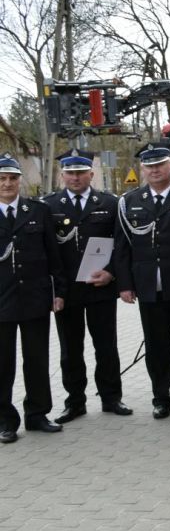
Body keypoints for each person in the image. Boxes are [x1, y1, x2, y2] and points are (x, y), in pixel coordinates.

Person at [113, 142, 170, 419]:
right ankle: (161, 397)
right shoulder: (129, 202)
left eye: (159, 164)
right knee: (156, 346)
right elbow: (122, 247)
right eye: (149, 166)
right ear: (142, 168)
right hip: (149, 288)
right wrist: (125, 285)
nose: (154, 170)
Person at [46, 148, 131, 422]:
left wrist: (111, 274)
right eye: (70, 173)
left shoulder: (109, 202)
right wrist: (55, 290)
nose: (75, 177)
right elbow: (48, 252)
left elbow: (121, 245)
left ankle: (112, 398)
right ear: (62, 175)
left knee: (106, 345)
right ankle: (75, 402)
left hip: (100, 287)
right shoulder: (49, 206)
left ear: (90, 174)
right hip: (67, 291)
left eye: (80, 172)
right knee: (71, 349)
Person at [0, 153, 66, 442]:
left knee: (37, 359)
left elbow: (54, 257)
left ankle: (37, 414)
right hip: (2, 300)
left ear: (19, 181)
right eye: (2, 179)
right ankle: (5, 421)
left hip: (35, 297)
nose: (7, 184)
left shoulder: (37, 211)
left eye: (12, 178)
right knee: (3, 364)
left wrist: (59, 292)